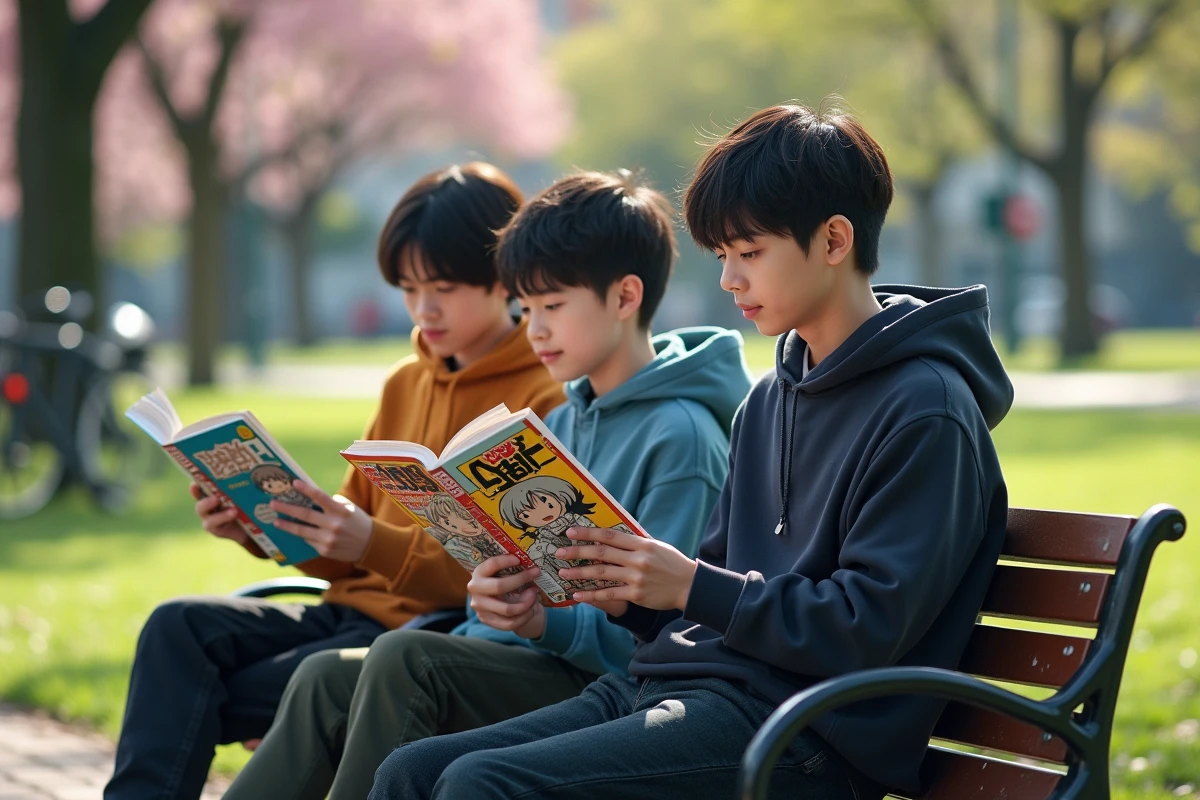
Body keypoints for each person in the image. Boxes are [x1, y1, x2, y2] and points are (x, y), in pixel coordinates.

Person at [370, 104, 1015, 800]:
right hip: (683, 685)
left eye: (750, 253)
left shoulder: (928, 409)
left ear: (833, 240)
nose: (729, 280)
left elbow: (866, 625)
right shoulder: (773, 396)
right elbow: (710, 593)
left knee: (483, 784)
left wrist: (690, 584)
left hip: (806, 737)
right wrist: (625, 593)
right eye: (721, 257)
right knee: (411, 772)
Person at [221, 169, 753, 800]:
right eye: (526, 309)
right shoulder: (564, 419)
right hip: (516, 652)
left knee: (403, 658)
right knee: (322, 679)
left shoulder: (681, 438)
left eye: (553, 307)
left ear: (625, 297)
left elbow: (658, 636)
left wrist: (537, 624)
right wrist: (495, 596)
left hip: (603, 682)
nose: (535, 330)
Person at [105, 162, 564, 800]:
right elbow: (345, 557)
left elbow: (507, 570)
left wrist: (369, 542)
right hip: (346, 616)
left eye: (444, 287)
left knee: (215, 694)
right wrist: (256, 526)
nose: (422, 309)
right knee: (176, 628)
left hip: (424, 639)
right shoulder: (406, 380)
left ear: (502, 280)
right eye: (408, 288)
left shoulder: (541, 397)